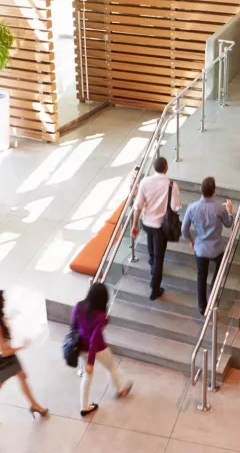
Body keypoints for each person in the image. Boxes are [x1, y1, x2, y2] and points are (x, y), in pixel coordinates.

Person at [0, 290, 48, 427]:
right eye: (2, 299)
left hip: (10, 358)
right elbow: (3, 352)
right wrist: (21, 347)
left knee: (22, 376)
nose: (4, 300)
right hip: (4, 361)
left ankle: (34, 405)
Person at [71, 283, 132, 416]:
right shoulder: (100, 316)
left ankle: (84, 405)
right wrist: (91, 363)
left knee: (86, 375)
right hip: (98, 349)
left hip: (80, 347)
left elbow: (73, 327)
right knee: (111, 368)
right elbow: (94, 339)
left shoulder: (78, 306)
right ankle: (119, 390)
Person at [181, 177, 233, 315]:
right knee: (219, 268)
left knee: (201, 275)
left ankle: (202, 306)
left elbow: (184, 230)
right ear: (214, 191)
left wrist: (191, 241)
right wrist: (229, 211)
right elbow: (228, 224)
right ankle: (213, 291)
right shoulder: (219, 209)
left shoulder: (192, 208)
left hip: (200, 249)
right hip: (217, 249)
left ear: (201, 190)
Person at [131, 156, 181, 300]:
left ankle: (152, 263)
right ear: (166, 168)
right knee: (160, 257)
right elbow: (174, 207)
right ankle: (154, 288)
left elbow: (138, 205)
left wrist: (134, 225)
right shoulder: (172, 185)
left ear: (154, 168)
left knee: (152, 247)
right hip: (161, 226)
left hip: (147, 223)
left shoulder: (145, 182)